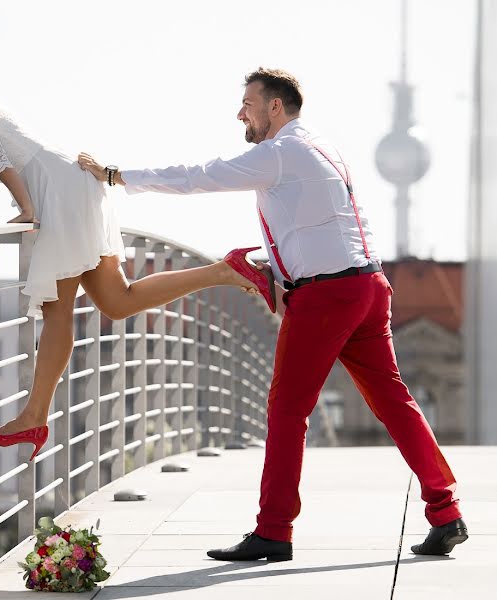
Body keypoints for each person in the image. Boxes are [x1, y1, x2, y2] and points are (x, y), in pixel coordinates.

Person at [78, 67, 467, 558]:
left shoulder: (278, 153)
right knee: (396, 403)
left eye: (248, 103)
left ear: (275, 107)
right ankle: (446, 510)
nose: (241, 112)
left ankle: (273, 530)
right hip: (369, 284)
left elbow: (198, 178)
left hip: (327, 298)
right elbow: (320, 227)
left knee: (287, 411)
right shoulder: (325, 147)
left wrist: (116, 177)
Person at [0, 9, 275, 461]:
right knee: (116, 301)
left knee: (57, 310)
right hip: (62, 184)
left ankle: (34, 417)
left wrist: (25, 205)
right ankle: (226, 270)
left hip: (55, 191)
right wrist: (28, 199)